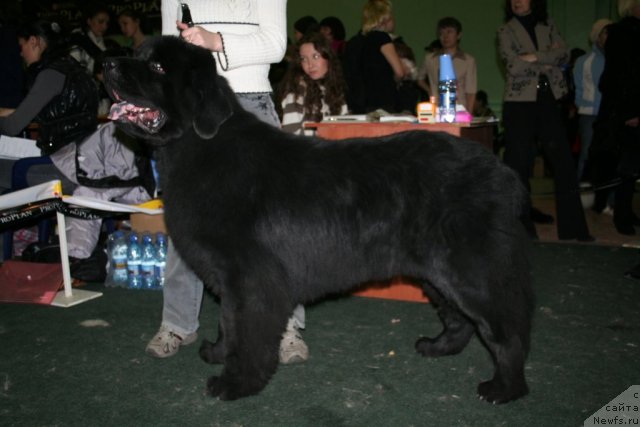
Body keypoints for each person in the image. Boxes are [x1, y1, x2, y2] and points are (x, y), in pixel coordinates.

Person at [146, 0, 309, 365]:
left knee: (277, 224)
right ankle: (177, 322)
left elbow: (275, 45)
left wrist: (214, 39)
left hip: (251, 103)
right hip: (193, 108)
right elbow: (168, 54)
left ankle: (285, 326)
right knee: (185, 222)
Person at [497, 0, 593, 241]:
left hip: (548, 98)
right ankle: (521, 232)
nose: (517, 1)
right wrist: (546, 59)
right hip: (518, 103)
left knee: (563, 162)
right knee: (517, 165)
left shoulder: (547, 24)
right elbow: (513, 65)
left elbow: (564, 54)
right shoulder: (505, 30)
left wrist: (533, 56)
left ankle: (574, 230)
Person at [592, 0, 640, 235]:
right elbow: (618, 76)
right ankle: (622, 214)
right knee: (626, 166)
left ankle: (626, 212)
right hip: (626, 112)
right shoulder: (622, 33)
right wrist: (630, 111)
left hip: (626, 109)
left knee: (630, 166)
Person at [278, 32, 348, 135]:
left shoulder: (334, 88)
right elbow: (291, 135)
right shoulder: (297, 90)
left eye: (315, 56)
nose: (310, 65)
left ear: (328, 57)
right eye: (304, 59)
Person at [573, 19, 611, 183]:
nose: (608, 37)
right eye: (605, 33)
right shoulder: (584, 61)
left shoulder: (616, 60)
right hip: (590, 115)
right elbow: (579, 89)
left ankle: (607, 199)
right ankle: (582, 194)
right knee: (587, 154)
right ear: (597, 36)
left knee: (609, 157)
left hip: (610, 115)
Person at [418, 17, 477, 113]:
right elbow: (419, 78)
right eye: (441, 33)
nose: (445, 36)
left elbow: (471, 91)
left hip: (459, 109)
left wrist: (469, 114)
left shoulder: (468, 61)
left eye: (449, 32)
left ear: (458, 35)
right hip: (436, 108)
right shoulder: (430, 58)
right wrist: (430, 91)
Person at [359, 0, 406, 113]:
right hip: (385, 99)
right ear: (385, 19)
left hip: (368, 100)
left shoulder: (364, 40)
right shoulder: (382, 38)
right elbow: (400, 72)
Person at [69, 3, 112, 75]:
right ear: (89, 21)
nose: (104, 27)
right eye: (100, 22)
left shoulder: (104, 42)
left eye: (107, 23)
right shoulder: (77, 39)